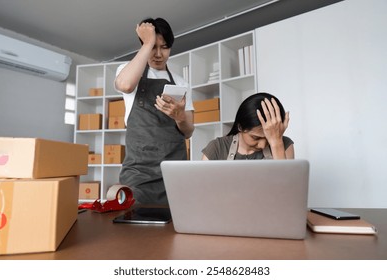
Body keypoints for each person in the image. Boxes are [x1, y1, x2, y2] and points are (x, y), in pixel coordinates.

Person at [114, 18, 194, 205]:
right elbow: (125, 85)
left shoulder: (181, 83)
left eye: (164, 47)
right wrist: (147, 41)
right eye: (152, 47)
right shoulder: (127, 71)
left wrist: (179, 116)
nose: (158, 54)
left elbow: (189, 131)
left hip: (175, 171)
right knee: (135, 225)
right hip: (139, 173)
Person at [202, 92, 294, 160]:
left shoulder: (284, 144)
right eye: (255, 137)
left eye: (268, 138)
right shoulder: (217, 148)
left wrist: (276, 143)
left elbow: (287, 184)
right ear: (240, 127)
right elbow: (201, 184)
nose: (262, 145)